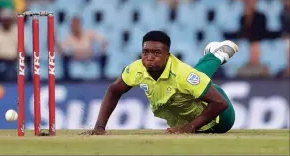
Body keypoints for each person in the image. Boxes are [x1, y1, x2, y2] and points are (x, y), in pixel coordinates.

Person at [81, 31, 239, 134]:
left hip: (220, 119)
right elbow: (114, 90)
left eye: (156, 53)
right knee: (195, 79)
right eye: (146, 52)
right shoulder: (136, 68)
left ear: (168, 55)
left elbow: (220, 103)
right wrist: (99, 127)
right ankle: (215, 55)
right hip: (192, 97)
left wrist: (189, 127)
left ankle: (217, 55)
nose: (149, 57)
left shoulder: (182, 73)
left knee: (191, 77)